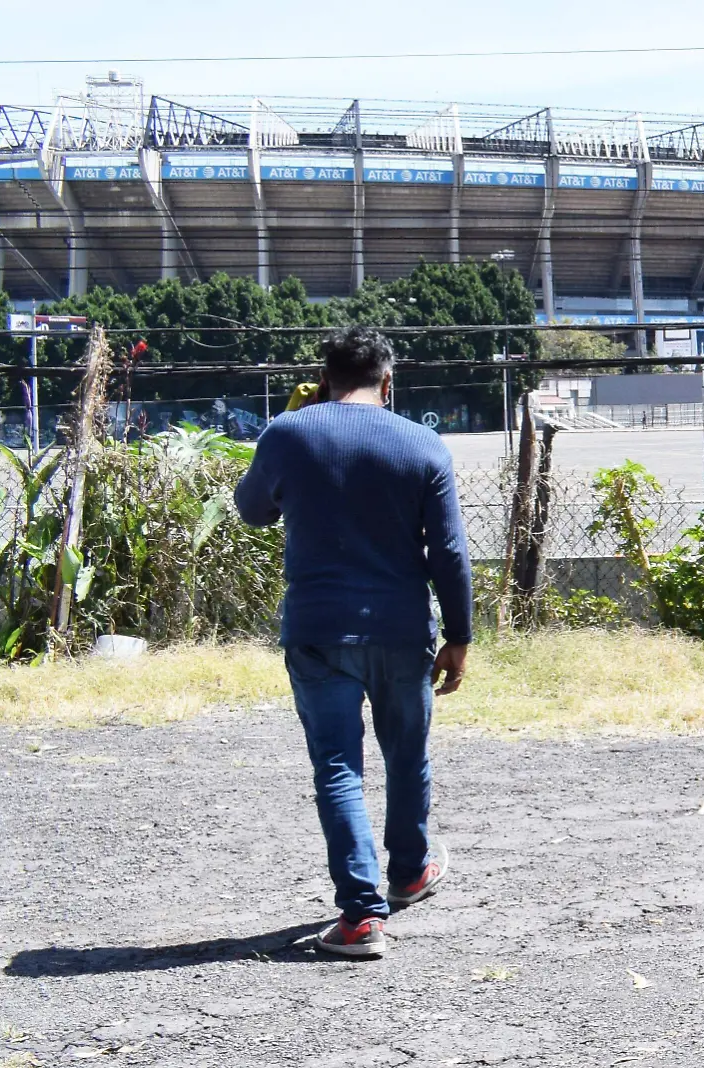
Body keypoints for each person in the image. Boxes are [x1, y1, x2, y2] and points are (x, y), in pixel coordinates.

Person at [234, 326, 473, 959]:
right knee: (407, 756)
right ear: (387, 382)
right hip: (402, 630)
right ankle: (411, 870)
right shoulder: (424, 446)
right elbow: (448, 551)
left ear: (324, 377)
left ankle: (362, 919)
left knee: (338, 768)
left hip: (317, 630)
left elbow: (252, 511)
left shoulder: (289, 434)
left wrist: (289, 421)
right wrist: (459, 635)